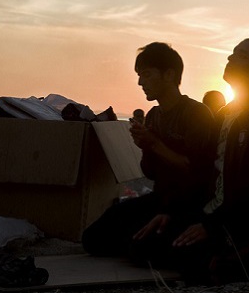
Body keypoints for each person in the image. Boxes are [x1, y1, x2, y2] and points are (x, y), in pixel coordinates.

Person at [131, 38, 249, 285]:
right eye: (232, 53)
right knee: (142, 245)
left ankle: (243, 258)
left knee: (191, 261)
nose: (230, 58)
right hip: (212, 213)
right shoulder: (223, 115)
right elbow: (203, 174)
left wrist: (213, 226)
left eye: (241, 56)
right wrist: (172, 211)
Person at [81, 42, 217, 257]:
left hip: (190, 205)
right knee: (92, 239)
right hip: (159, 198)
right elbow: (150, 172)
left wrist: (154, 143)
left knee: (141, 249)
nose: (140, 82)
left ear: (169, 75)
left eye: (146, 74)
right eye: (139, 75)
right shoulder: (154, 115)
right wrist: (145, 146)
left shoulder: (196, 114)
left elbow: (194, 169)